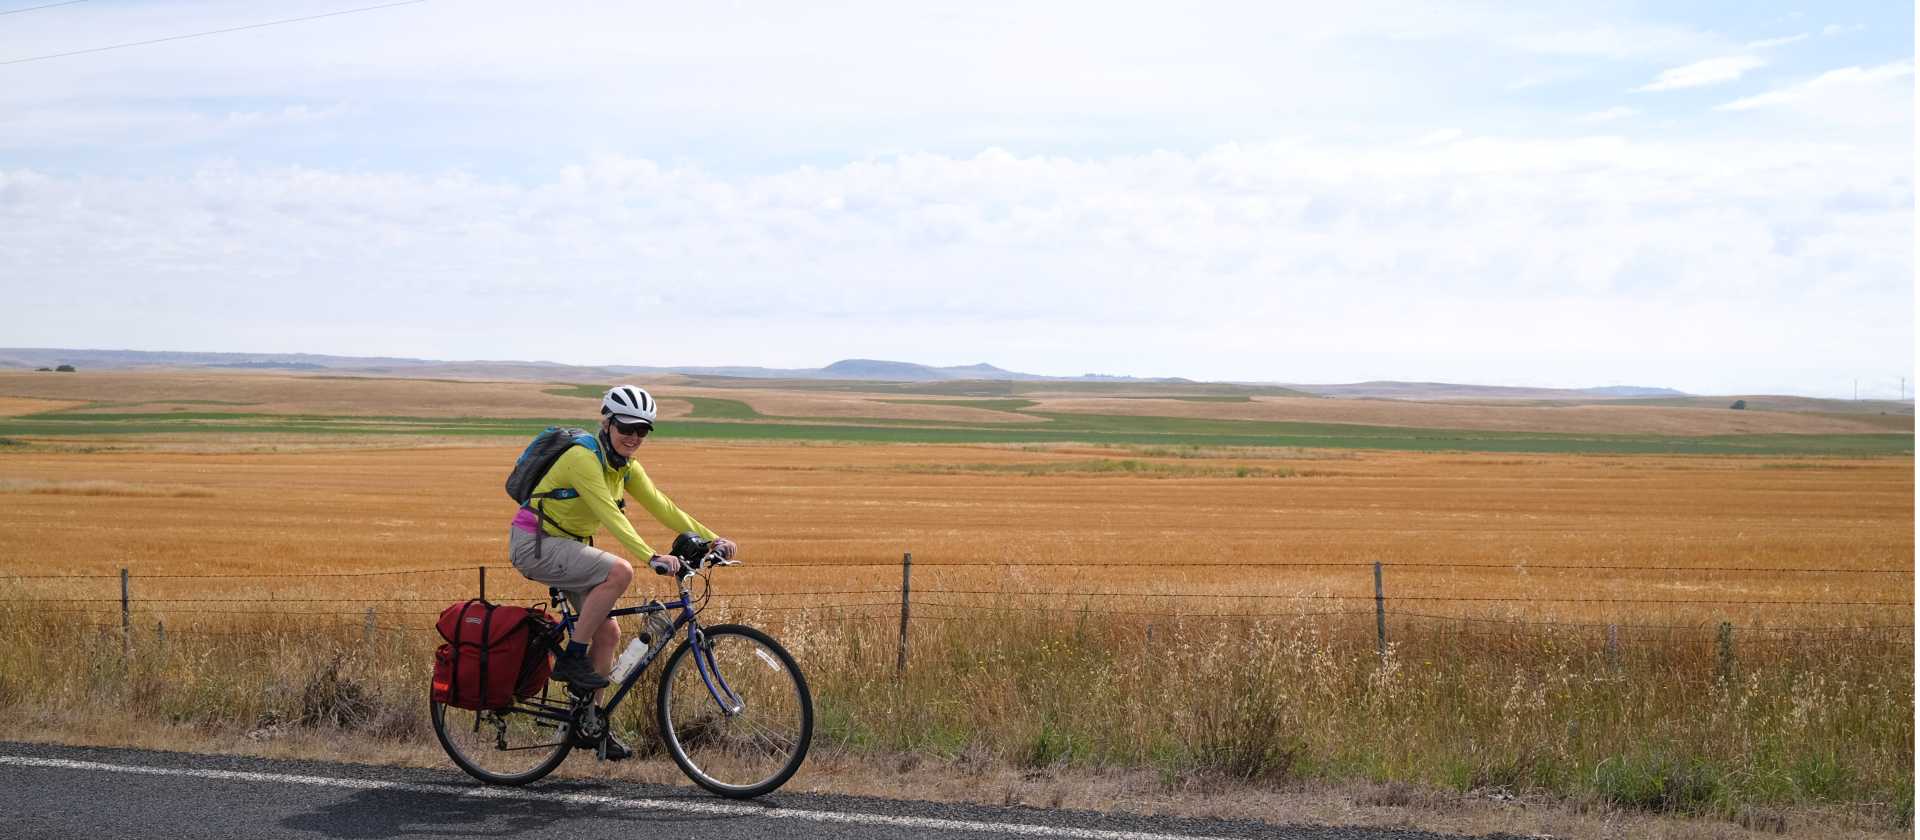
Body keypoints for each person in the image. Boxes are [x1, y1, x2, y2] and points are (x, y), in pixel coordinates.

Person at [507, 385, 736, 706]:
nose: (633, 437)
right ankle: (572, 658)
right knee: (619, 572)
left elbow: (663, 507)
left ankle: (589, 720)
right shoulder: (582, 458)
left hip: (569, 547)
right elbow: (610, 514)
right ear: (607, 424)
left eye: (642, 430)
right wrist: (650, 556)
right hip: (535, 544)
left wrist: (713, 539)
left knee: (608, 634)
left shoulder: (626, 467)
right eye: (626, 428)